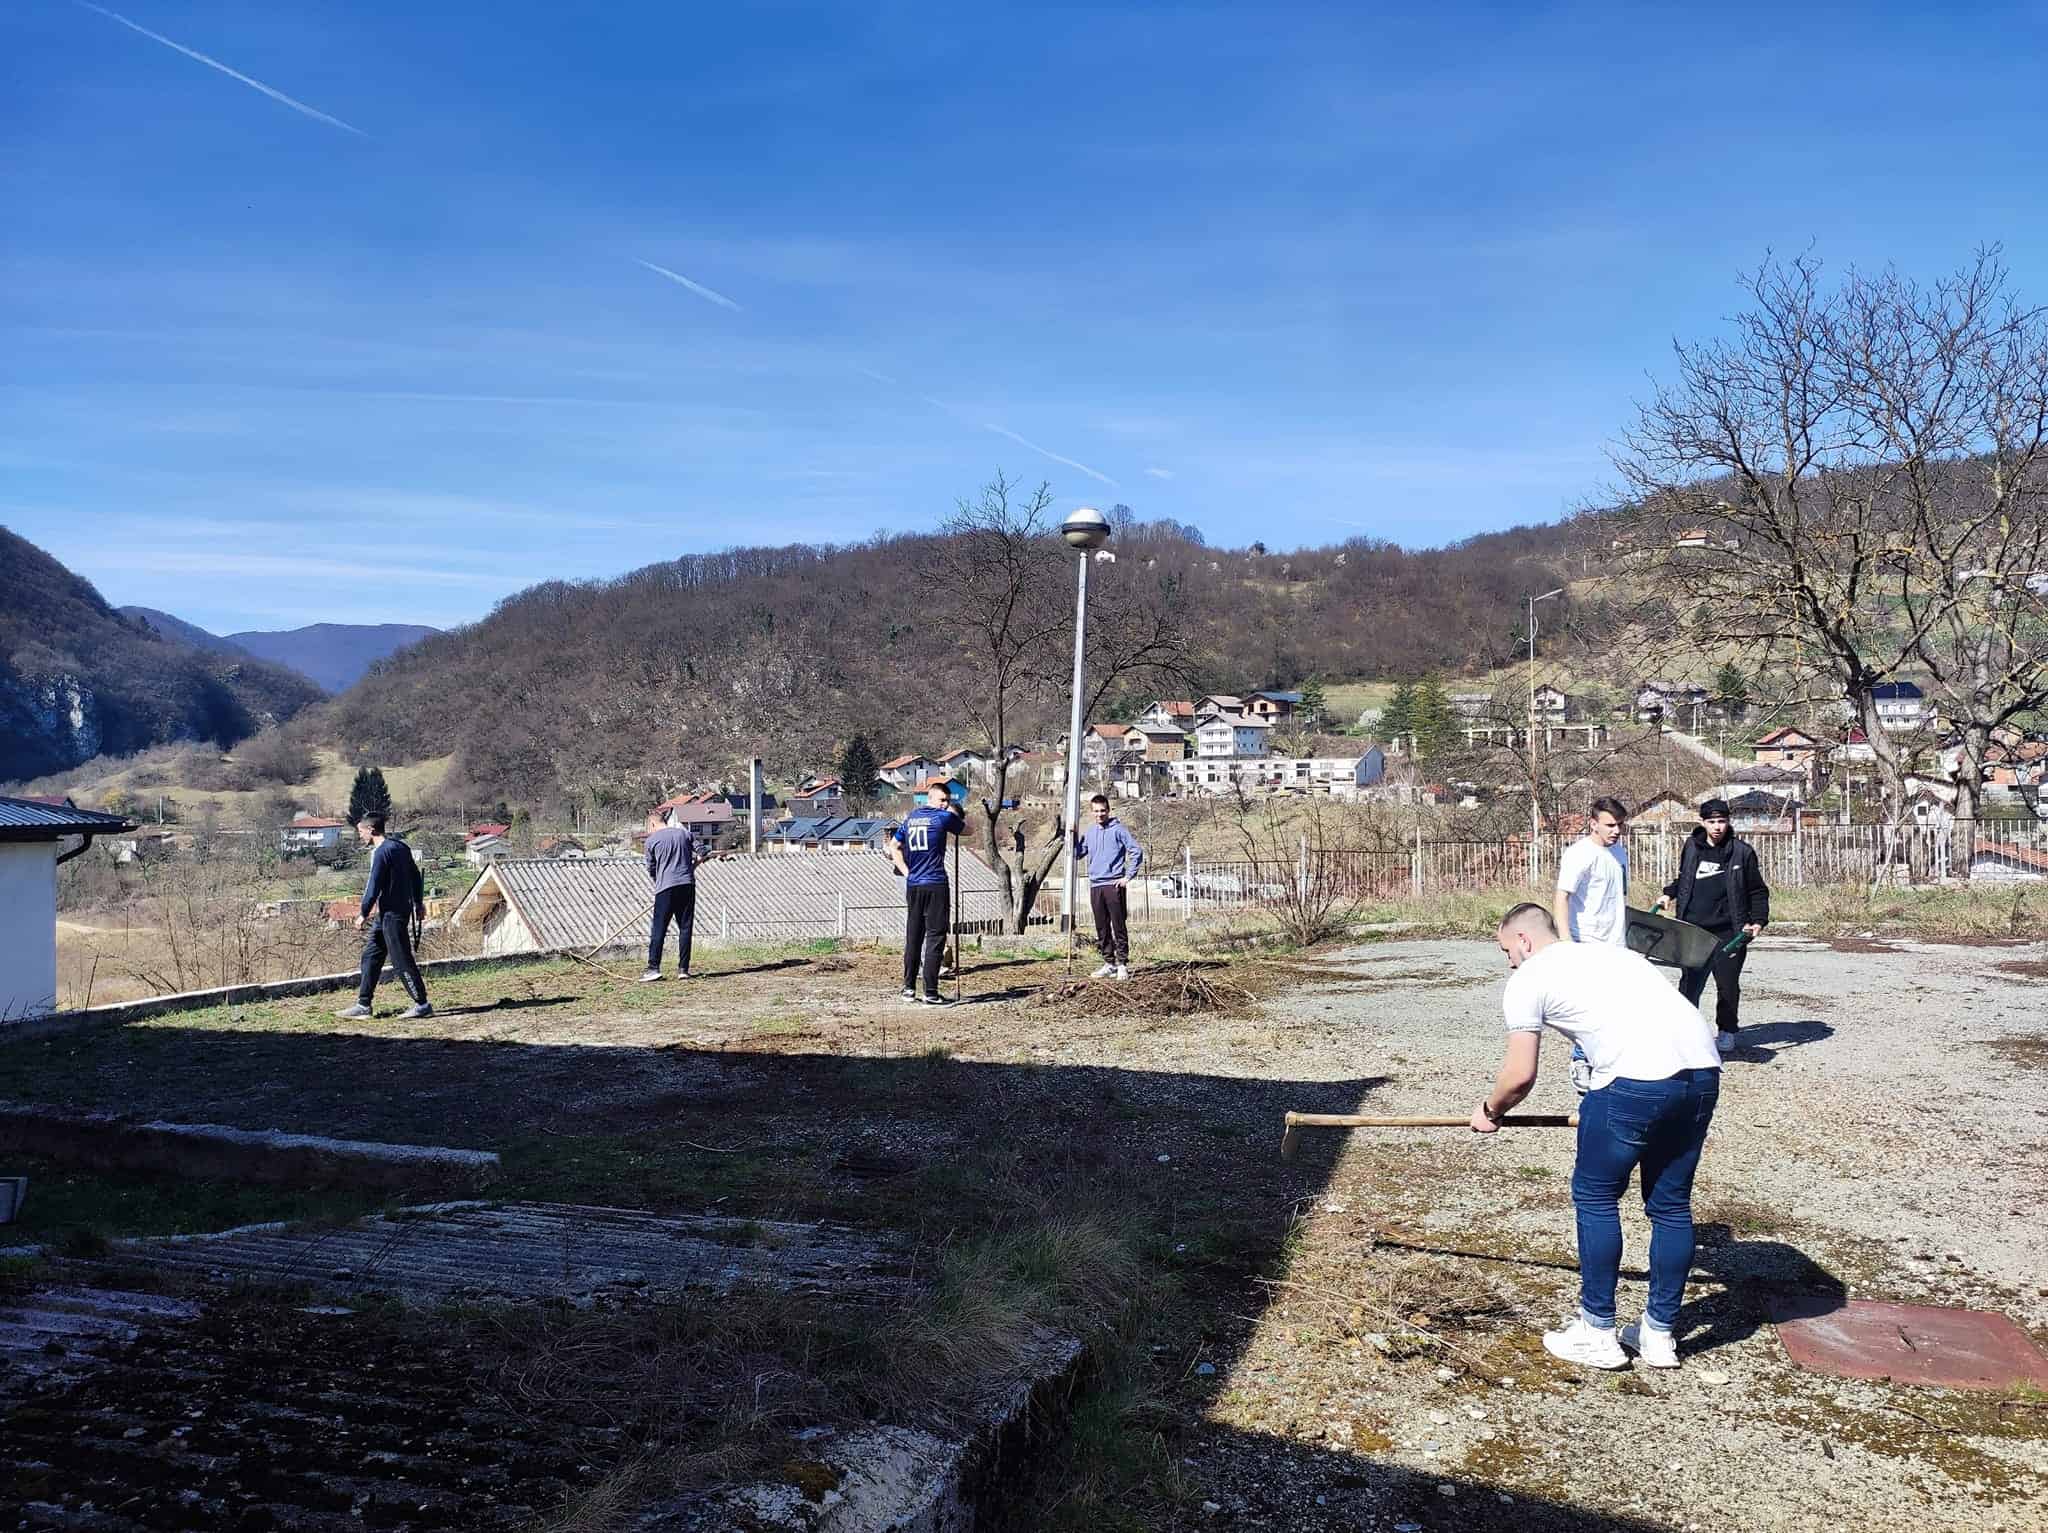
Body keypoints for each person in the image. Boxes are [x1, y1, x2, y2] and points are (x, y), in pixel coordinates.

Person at [1472, 903, 1721, 1370]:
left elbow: (1519, 1075)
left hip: (1635, 1082)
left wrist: (1490, 1110)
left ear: (1524, 940)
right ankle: (1659, 1335)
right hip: (1703, 1073)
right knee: (1670, 1206)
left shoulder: (1528, 979)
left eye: (1507, 950)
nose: (1508, 961)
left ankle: (1597, 1332)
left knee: (1596, 1198)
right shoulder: (1615, 956)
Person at [1657, 798, 1769, 1056]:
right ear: (1702, 822)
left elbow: (1757, 891)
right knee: (1689, 985)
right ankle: (1684, 1033)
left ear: (1728, 822)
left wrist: (1758, 921)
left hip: (1729, 931)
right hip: (1693, 930)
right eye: (1712, 822)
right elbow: (1684, 878)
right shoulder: (1692, 847)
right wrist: (1668, 894)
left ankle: (1727, 1032)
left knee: (1727, 985)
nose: (1717, 827)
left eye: (1722, 821)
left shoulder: (1742, 852)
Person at [336, 811, 430, 1019]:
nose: (360, 835)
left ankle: (422, 1004)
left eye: (360, 831)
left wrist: (362, 913)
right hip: (390, 913)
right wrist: (418, 902)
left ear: (371, 829)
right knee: (371, 955)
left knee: (401, 960)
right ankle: (363, 1005)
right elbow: (415, 876)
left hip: (392, 915)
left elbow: (374, 886)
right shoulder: (401, 847)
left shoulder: (380, 853)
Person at [888, 779, 965, 1005]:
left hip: (913, 885)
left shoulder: (910, 818)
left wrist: (906, 871)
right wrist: (956, 815)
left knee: (913, 936)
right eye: (942, 800)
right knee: (935, 937)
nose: (945, 804)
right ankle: (930, 992)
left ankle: (908, 988)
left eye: (948, 801)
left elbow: (894, 845)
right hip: (935, 884)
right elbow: (967, 830)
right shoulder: (943, 817)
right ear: (931, 798)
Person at [1076, 793, 1144, 979]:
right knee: (1101, 926)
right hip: (1095, 885)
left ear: (1108, 810)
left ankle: (1122, 963)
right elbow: (1079, 853)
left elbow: (1136, 851)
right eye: (1096, 811)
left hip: (1113, 884)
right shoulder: (1090, 832)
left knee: (1118, 924)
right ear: (1091, 812)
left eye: (1103, 810)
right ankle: (1109, 962)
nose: (1100, 814)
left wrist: (1127, 876)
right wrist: (1070, 838)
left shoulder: (1119, 830)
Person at [1552, 796, 1631, 946]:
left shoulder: (1619, 852)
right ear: (1593, 824)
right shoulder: (1579, 853)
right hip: (1586, 941)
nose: (1616, 830)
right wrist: (1566, 941)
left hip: (1616, 943)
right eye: (1610, 825)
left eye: (1620, 825)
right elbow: (1561, 896)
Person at [640, 807, 703, 982]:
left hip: (665, 888)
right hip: (687, 885)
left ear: (652, 823)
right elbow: (702, 852)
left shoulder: (651, 841)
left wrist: (658, 882)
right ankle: (683, 969)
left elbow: (651, 869)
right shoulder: (684, 833)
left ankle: (653, 968)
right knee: (685, 927)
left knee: (659, 928)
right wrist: (693, 866)